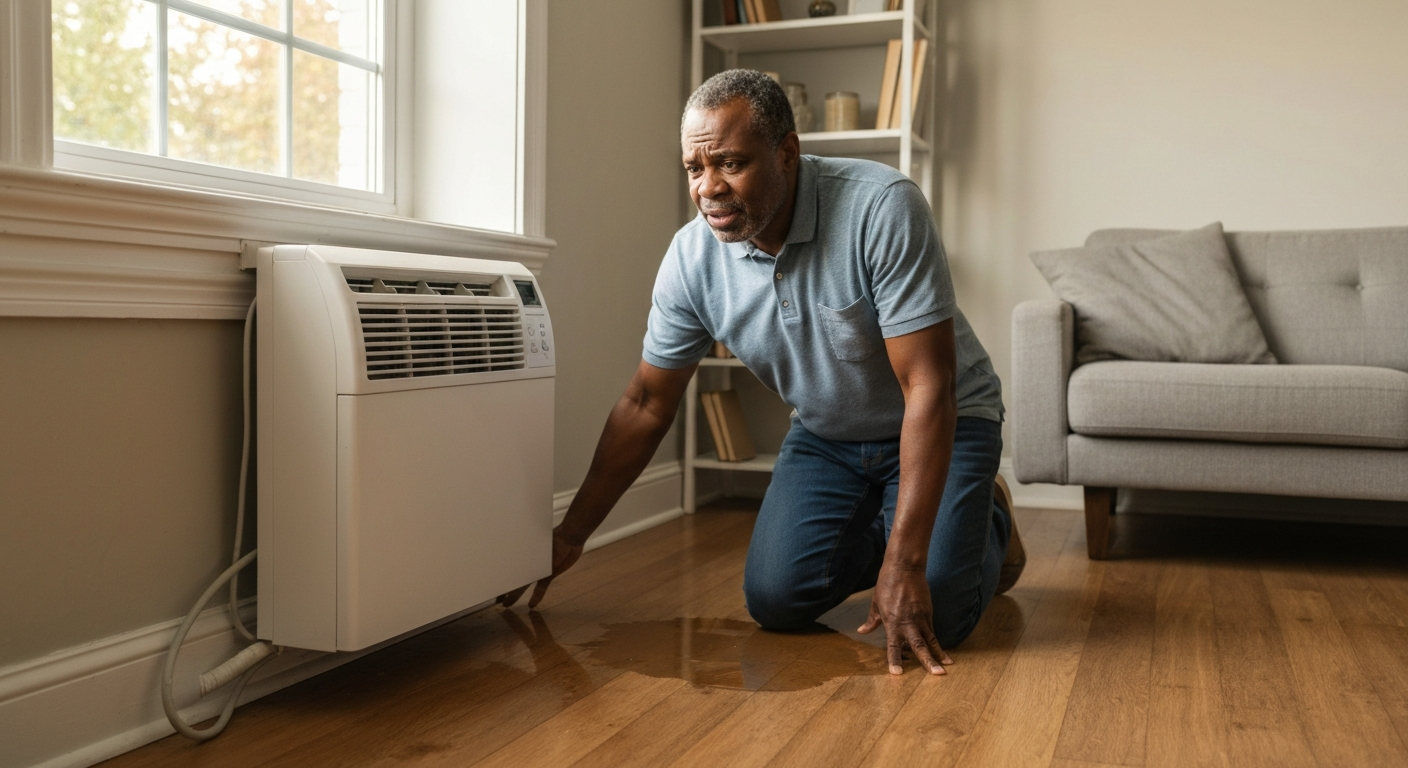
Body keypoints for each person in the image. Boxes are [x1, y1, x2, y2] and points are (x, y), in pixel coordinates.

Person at [500, 69, 1023, 676]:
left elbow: (928, 385)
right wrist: (571, 534)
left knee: (943, 616)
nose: (708, 188)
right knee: (777, 601)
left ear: (787, 153)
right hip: (829, 433)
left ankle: (987, 517)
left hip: (943, 419)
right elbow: (646, 403)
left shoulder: (880, 207)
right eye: (694, 169)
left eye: (730, 163)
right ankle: (907, 519)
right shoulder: (691, 259)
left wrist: (907, 566)